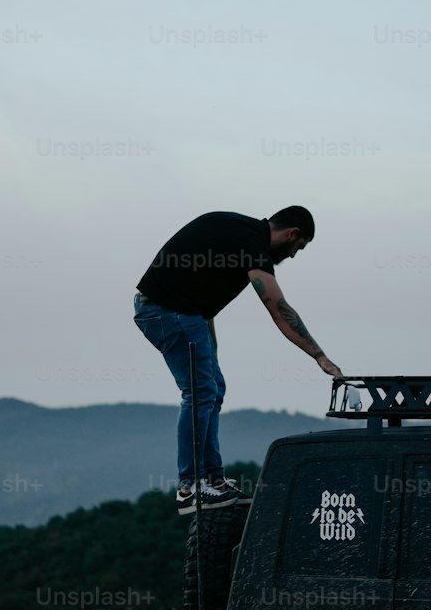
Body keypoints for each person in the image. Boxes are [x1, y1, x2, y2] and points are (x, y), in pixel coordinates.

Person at [134, 205, 343, 512]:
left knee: (213, 388)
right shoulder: (253, 246)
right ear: (292, 233)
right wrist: (320, 356)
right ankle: (191, 486)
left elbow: (200, 299)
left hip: (183, 312)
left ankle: (213, 480)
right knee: (199, 391)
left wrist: (211, 351)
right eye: (298, 247)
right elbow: (279, 309)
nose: (294, 255)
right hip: (167, 312)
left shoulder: (238, 232)